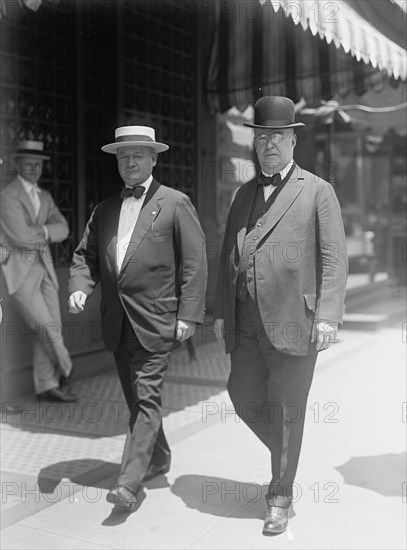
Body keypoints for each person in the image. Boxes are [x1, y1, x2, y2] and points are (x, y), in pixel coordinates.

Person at [214, 97, 348, 536]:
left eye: (277, 137)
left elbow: (333, 257)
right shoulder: (244, 193)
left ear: (293, 140)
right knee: (242, 394)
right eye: (261, 137)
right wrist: (221, 312)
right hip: (247, 321)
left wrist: (328, 315)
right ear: (254, 143)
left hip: (296, 320)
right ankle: (288, 454)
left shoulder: (316, 189)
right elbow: (227, 255)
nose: (269, 145)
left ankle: (280, 495)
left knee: (288, 410)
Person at [68, 125, 207, 509]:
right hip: (117, 322)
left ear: (153, 159)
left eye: (137, 156)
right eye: (123, 156)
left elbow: (194, 263)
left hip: (158, 320)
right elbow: (86, 256)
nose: (130, 162)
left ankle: (128, 483)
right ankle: (158, 456)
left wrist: (189, 315)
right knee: (137, 401)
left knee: (145, 398)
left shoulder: (176, 203)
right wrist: (80, 286)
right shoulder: (104, 210)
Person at [0, 141, 76, 402]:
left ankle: (46, 385)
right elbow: (20, 238)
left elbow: (64, 228)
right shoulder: (7, 195)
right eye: (28, 164)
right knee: (45, 326)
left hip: (46, 269)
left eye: (38, 165)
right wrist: (45, 232)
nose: (33, 169)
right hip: (20, 272)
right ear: (19, 165)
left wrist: (42, 231)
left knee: (53, 324)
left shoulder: (45, 196)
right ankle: (67, 366)